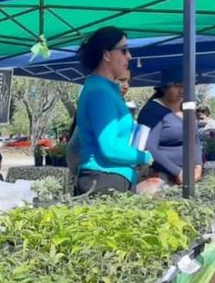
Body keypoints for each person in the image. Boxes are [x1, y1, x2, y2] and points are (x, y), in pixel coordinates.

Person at [72, 27, 153, 196]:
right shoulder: (100, 92)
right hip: (104, 180)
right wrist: (144, 157)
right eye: (124, 50)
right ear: (106, 55)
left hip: (106, 179)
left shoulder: (103, 89)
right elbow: (110, 148)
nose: (129, 56)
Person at [137, 70, 203, 192]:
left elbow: (196, 141)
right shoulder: (153, 111)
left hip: (188, 176)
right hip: (160, 179)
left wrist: (198, 166)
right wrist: (178, 172)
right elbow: (149, 147)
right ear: (164, 87)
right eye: (177, 85)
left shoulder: (187, 110)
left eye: (186, 86)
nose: (182, 91)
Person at [66, 67, 134, 176]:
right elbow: (74, 151)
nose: (126, 86)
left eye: (128, 81)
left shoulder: (115, 104)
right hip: (95, 174)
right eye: (121, 80)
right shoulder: (100, 104)